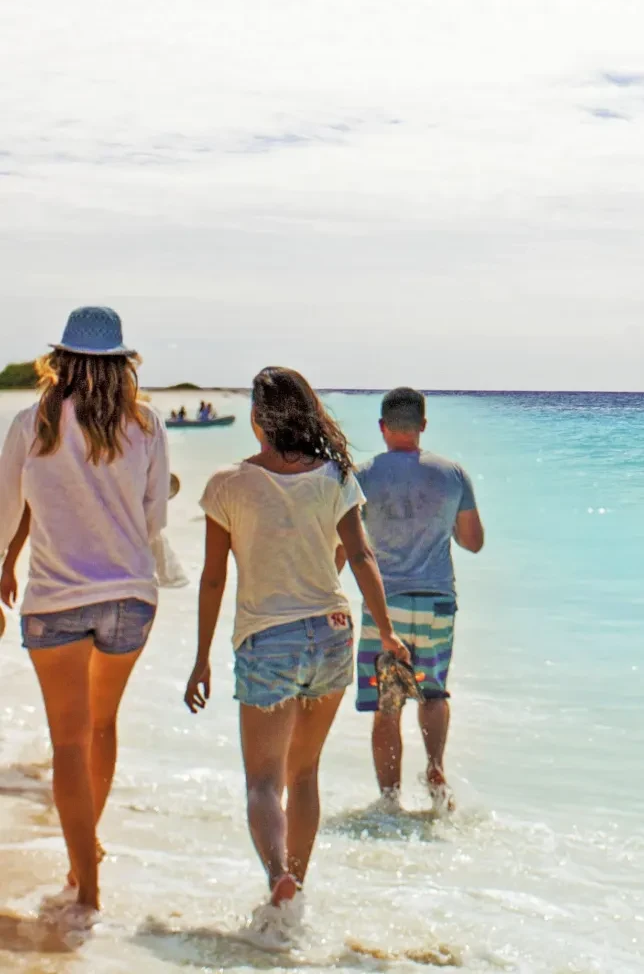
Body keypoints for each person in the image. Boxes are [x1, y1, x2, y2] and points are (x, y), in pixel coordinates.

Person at [184, 367, 406, 947]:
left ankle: (278, 877)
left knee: (263, 781)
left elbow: (213, 579)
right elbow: (361, 558)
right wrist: (387, 633)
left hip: (267, 640)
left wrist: (202, 657)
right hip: (332, 634)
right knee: (304, 772)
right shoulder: (335, 477)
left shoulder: (227, 484)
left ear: (257, 419)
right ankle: (294, 898)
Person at [0, 307, 169, 919]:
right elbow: (154, 518)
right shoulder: (146, 424)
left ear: (60, 361)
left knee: (68, 743)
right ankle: (84, 855)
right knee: (102, 727)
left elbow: (4, 513)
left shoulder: (32, 423)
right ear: (122, 364)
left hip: (55, 601)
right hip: (131, 597)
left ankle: (86, 887)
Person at [353, 387, 483, 813]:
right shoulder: (453, 474)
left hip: (385, 604)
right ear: (423, 425)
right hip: (437, 600)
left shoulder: (363, 476)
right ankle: (435, 767)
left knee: (388, 703)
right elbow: (473, 541)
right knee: (434, 693)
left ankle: (390, 801)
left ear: (382, 427)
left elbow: (347, 545)